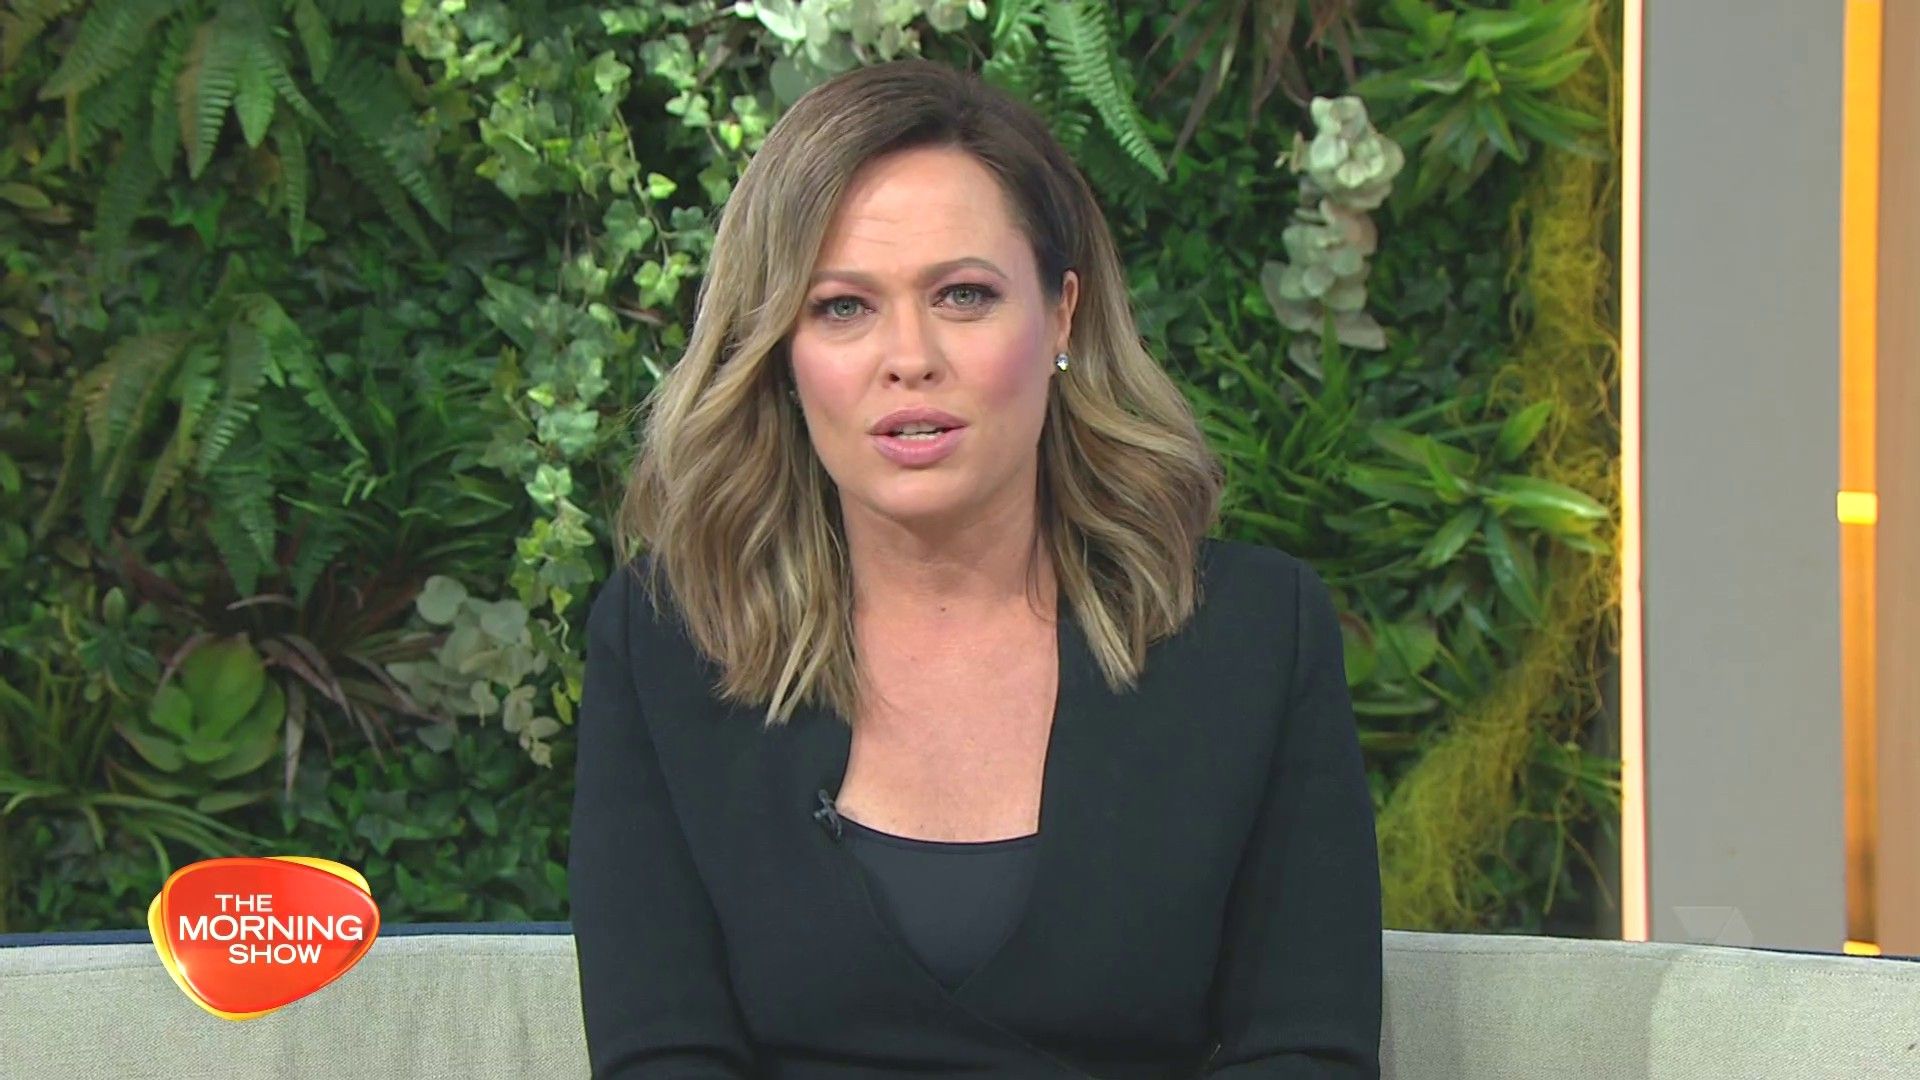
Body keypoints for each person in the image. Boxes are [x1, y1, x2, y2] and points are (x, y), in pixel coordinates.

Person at [568, 57, 1382, 1078]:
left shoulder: (1253, 635)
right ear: (780, 350)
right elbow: (661, 1055)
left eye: (963, 295)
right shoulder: (667, 638)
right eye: (842, 307)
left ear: (1062, 314)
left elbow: (1305, 1051)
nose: (909, 356)